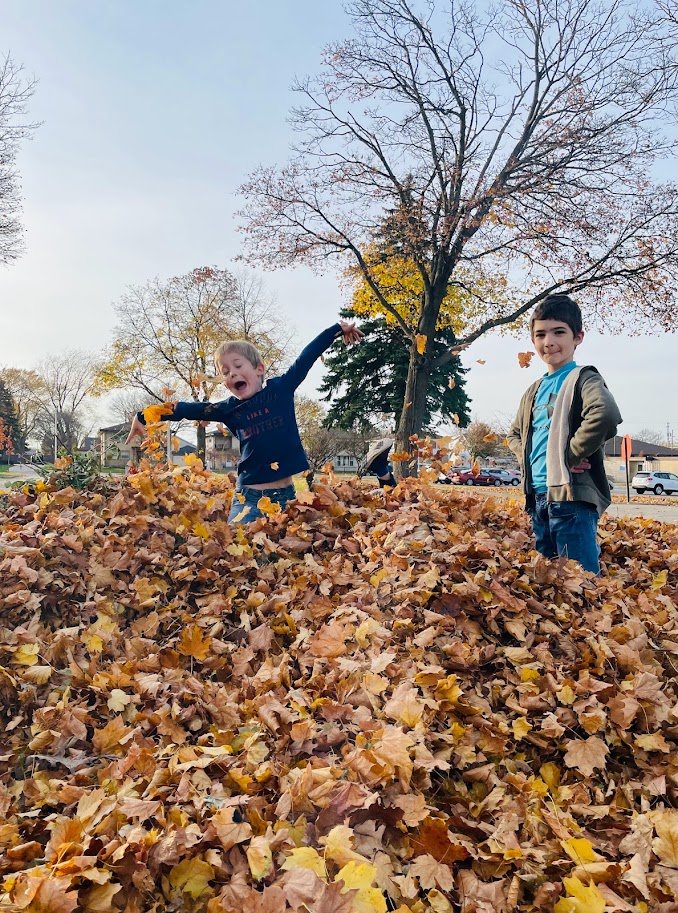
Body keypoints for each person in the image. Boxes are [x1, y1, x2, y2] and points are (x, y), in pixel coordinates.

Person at [125, 320, 362, 523]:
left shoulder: (281, 389)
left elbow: (306, 358)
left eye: (238, 366)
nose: (232, 374)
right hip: (248, 499)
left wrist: (337, 329)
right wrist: (143, 416)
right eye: (226, 372)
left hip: (287, 497)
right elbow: (189, 409)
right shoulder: (230, 409)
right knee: (238, 557)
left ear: (259, 369)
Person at [506, 294, 622, 575]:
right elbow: (514, 435)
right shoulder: (533, 390)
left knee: (578, 579)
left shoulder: (584, 378)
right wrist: (529, 459)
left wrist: (570, 454)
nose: (549, 342)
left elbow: (604, 413)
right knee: (548, 580)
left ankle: (592, 620)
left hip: (571, 498)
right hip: (538, 497)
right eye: (541, 334)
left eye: (559, 332)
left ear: (577, 337)